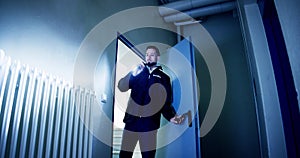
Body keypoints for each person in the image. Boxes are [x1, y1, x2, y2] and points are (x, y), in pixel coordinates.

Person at [117, 45, 184, 158]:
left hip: (149, 124)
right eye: (147, 54)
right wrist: (132, 73)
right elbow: (122, 87)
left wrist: (171, 116)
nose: (148, 57)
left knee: (148, 156)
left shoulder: (164, 78)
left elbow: (165, 102)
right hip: (131, 122)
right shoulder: (137, 73)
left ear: (157, 57)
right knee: (124, 155)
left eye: (152, 55)